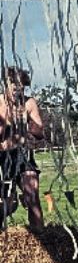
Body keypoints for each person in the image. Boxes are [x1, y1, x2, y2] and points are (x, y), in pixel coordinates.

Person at [0, 66, 45, 232]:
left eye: (21, 86)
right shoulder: (0, 104)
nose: (17, 89)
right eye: (13, 84)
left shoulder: (29, 103)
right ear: (6, 83)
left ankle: (40, 235)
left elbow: (40, 133)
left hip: (23, 156)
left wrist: (28, 124)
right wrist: (7, 122)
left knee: (32, 196)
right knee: (5, 203)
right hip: (2, 158)